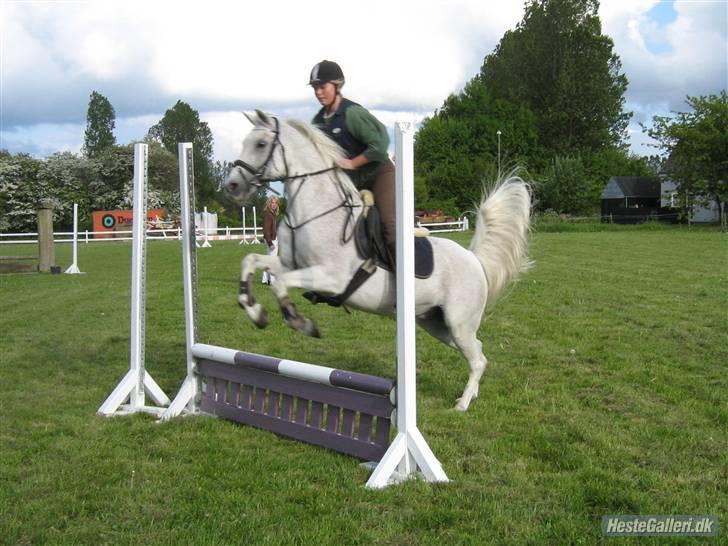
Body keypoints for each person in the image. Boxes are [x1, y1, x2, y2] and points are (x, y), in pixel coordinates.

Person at [309, 60, 397, 264]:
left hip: (379, 175)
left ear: (337, 86)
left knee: (389, 225)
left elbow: (381, 143)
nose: (318, 92)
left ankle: (405, 282)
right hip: (352, 184)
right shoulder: (318, 122)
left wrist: (352, 163)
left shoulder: (352, 114)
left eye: (323, 86)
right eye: (315, 88)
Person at [261, 196, 279, 285]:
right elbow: (266, 230)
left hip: (272, 238)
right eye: (272, 203)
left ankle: (265, 279)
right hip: (270, 239)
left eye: (275, 203)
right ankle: (272, 281)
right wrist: (270, 243)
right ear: (269, 203)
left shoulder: (273, 213)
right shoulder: (268, 214)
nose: (274, 205)